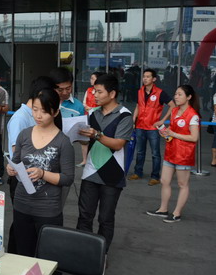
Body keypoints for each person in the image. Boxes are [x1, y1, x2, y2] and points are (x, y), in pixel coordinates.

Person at [7, 88, 74, 256]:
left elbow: (67, 178)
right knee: (23, 253)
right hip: (22, 203)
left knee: (48, 256)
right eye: (35, 110)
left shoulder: (63, 142)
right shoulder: (24, 134)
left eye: (44, 111)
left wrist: (43, 173)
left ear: (55, 112)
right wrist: (11, 168)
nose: (38, 115)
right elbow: (16, 160)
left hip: (48, 208)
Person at [77, 74, 133, 251]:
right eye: (94, 91)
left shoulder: (125, 115)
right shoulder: (92, 113)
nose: (94, 95)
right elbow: (86, 141)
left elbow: (118, 144)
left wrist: (96, 135)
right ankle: (82, 252)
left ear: (112, 94)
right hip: (90, 172)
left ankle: (101, 255)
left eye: (99, 92)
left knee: (105, 218)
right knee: (85, 216)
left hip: (112, 174)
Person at [147, 85, 200, 223]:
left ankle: (177, 213)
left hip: (184, 154)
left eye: (180, 94)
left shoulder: (193, 115)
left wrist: (173, 134)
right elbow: (172, 129)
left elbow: (194, 137)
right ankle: (163, 209)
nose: (176, 97)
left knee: (182, 184)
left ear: (189, 97)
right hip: (171, 151)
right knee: (164, 181)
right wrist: (165, 132)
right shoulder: (175, 111)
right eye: (176, 94)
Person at [128, 69, 175, 186]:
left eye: (148, 76)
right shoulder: (140, 91)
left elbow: (173, 105)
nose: (145, 78)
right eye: (144, 76)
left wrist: (162, 120)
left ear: (154, 79)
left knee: (155, 153)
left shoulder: (160, 93)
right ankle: (138, 172)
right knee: (140, 152)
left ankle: (155, 176)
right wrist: (133, 119)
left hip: (153, 128)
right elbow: (138, 106)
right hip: (140, 126)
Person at [50, 67, 86, 167]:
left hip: (66, 153)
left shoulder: (78, 106)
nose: (65, 92)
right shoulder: (46, 103)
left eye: (68, 88)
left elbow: (83, 139)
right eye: (60, 90)